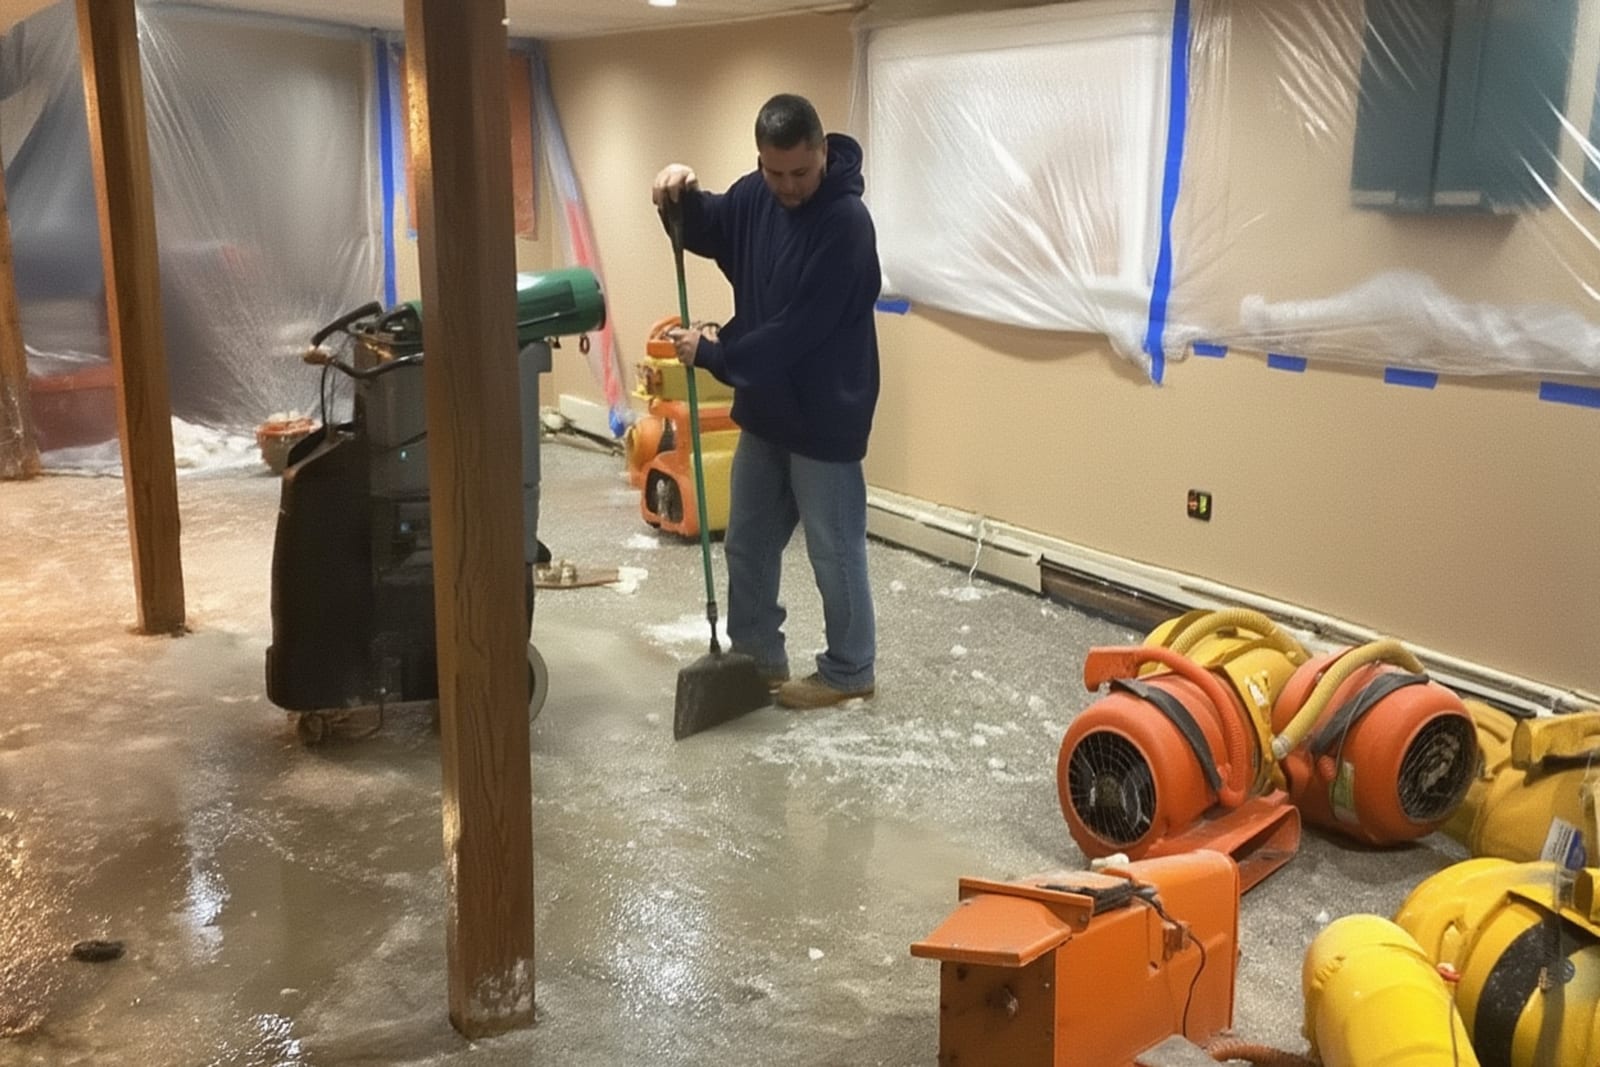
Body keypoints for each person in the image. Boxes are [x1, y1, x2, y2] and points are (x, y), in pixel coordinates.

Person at [651, 93, 880, 711]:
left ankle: (851, 667)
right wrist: (677, 196)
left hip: (825, 415)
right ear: (760, 161)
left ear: (823, 153)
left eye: (800, 173)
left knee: (833, 550)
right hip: (768, 409)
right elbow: (710, 225)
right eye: (774, 173)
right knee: (747, 541)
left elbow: (791, 335)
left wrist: (715, 355)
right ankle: (757, 657)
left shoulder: (845, 227)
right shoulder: (760, 194)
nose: (788, 187)